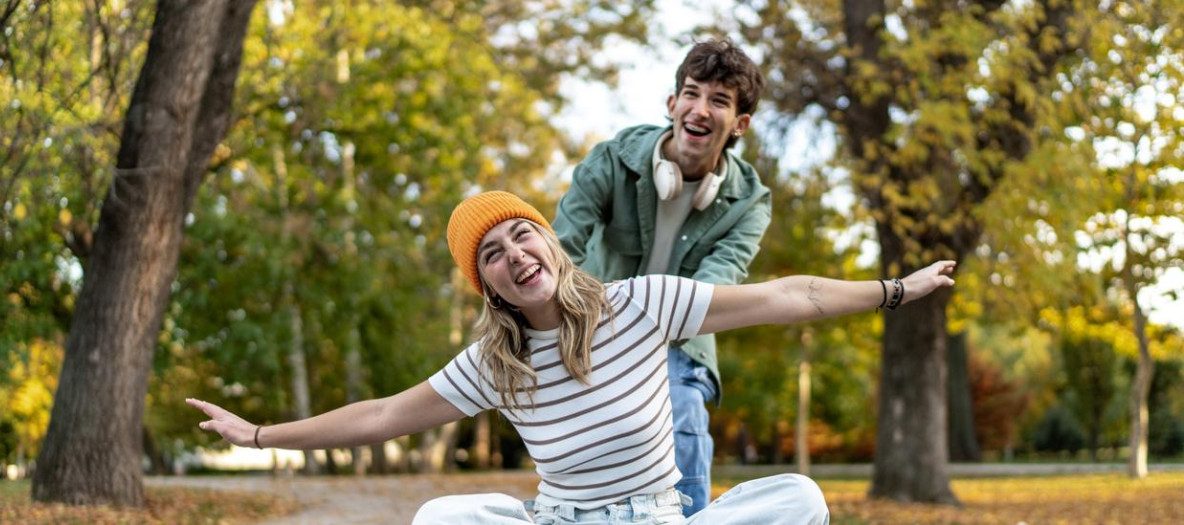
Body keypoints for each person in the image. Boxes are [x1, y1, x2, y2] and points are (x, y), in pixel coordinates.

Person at [188, 191, 957, 524]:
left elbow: (794, 295)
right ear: (487, 284)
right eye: (491, 253)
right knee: (438, 514)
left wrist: (896, 288)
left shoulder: (644, 304)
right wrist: (259, 434)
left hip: (660, 516)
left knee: (800, 498)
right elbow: (383, 414)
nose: (515, 254)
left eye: (521, 233)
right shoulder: (496, 364)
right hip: (562, 519)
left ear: (546, 240)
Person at [551, 39, 769, 515]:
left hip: (682, 338)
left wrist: (655, 326)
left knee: (680, 405)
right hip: (599, 327)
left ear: (740, 124)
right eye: (691, 93)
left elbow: (716, 288)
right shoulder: (611, 160)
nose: (700, 109)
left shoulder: (750, 202)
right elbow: (560, 248)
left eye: (719, 101)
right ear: (672, 104)